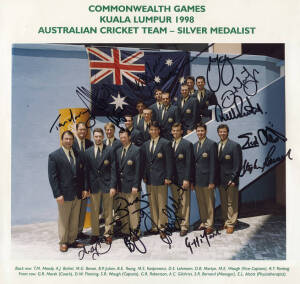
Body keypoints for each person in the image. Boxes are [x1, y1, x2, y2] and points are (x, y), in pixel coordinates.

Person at [48, 130, 85, 252]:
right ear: (62, 140)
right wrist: (57, 194)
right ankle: (63, 242)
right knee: (64, 219)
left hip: (77, 193)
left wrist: (84, 189)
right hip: (64, 194)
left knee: (74, 219)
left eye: (70, 139)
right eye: (66, 139)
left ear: (73, 141)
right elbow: (53, 178)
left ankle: (72, 240)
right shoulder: (54, 156)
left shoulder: (77, 154)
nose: (69, 141)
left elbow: (81, 174)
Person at [83, 128, 116, 244]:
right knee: (94, 212)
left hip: (107, 186)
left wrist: (113, 186)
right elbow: (86, 172)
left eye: (99, 136)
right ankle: (95, 234)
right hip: (94, 187)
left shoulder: (110, 150)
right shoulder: (88, 152)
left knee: (108, 212)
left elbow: (113, 170)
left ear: (103, 137)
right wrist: (86, 188)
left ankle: (108, 234)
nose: (98, 138)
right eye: (95, 136)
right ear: (93, 137)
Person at [141, 121, 173, 238]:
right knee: (152, 204)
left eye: (155, 129)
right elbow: (144, 162)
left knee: (162, 204)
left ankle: (163, 227)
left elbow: (169, 162)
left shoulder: (165, 143)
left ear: (159, 131)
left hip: (161, 179)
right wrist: (144, 175)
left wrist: (168, 177)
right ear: (149, 131)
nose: (153, 132)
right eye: (151, 130)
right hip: (149, 180)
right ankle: (155, 227)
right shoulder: (145, 144)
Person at [115, 129, 142, 241]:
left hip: (132, 186)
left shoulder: (136, 150)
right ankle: (125, 231)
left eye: (124, 137)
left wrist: (136, 185)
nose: (122, 139)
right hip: (121, 186)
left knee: (133, 210)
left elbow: (138, 170)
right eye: (121, 137)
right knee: (123, 210)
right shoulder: (118, 151)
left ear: (129, 137)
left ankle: (135, 231)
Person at [216, 124, 242, 234]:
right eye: (220, 132)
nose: (222, 133)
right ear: (218, 133)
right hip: (220, 180)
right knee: (224, 202)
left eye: (224, 131)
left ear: (228, 132)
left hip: (230, 180)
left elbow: (238, 164)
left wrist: (233, 178)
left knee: (232, 202)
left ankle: (232, 223)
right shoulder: (217, 145)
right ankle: (226, 221)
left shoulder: (234, 146)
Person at [192, 123, 218, 235]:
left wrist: (212, 181)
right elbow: (193, 165)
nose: (200, 133)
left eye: (202, 131)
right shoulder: (194, 145)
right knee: (201, 202)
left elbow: (214, 165)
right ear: (196, 132)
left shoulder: (211, 144)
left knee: (209, 203)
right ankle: (203, 222)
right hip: (197, 180)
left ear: (206, 131)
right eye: (198, 131)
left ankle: (210, 224)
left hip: (207, 180)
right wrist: (192, 181)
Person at [170, 123, 193, 236]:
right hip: (173, 180)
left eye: (177, 130)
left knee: (184, 203)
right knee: (176, 203)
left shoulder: (187, 144)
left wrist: (187, 179)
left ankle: (184, 226)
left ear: (181, 131)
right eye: (173, 131)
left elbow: (189, 163)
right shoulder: (170, 144)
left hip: (183, 179)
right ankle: (177, 223)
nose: (175, 132)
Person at [72, 122, 94, 240]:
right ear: (76, 130)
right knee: (74, 210)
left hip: (86, 182)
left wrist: (87, 186)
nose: (82, 132)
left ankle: (79, 231)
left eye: (84, 130)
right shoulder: (71, 143)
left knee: (82, 210)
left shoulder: (90, 144)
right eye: (80, 129)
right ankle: (72, 233)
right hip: (74, 183)